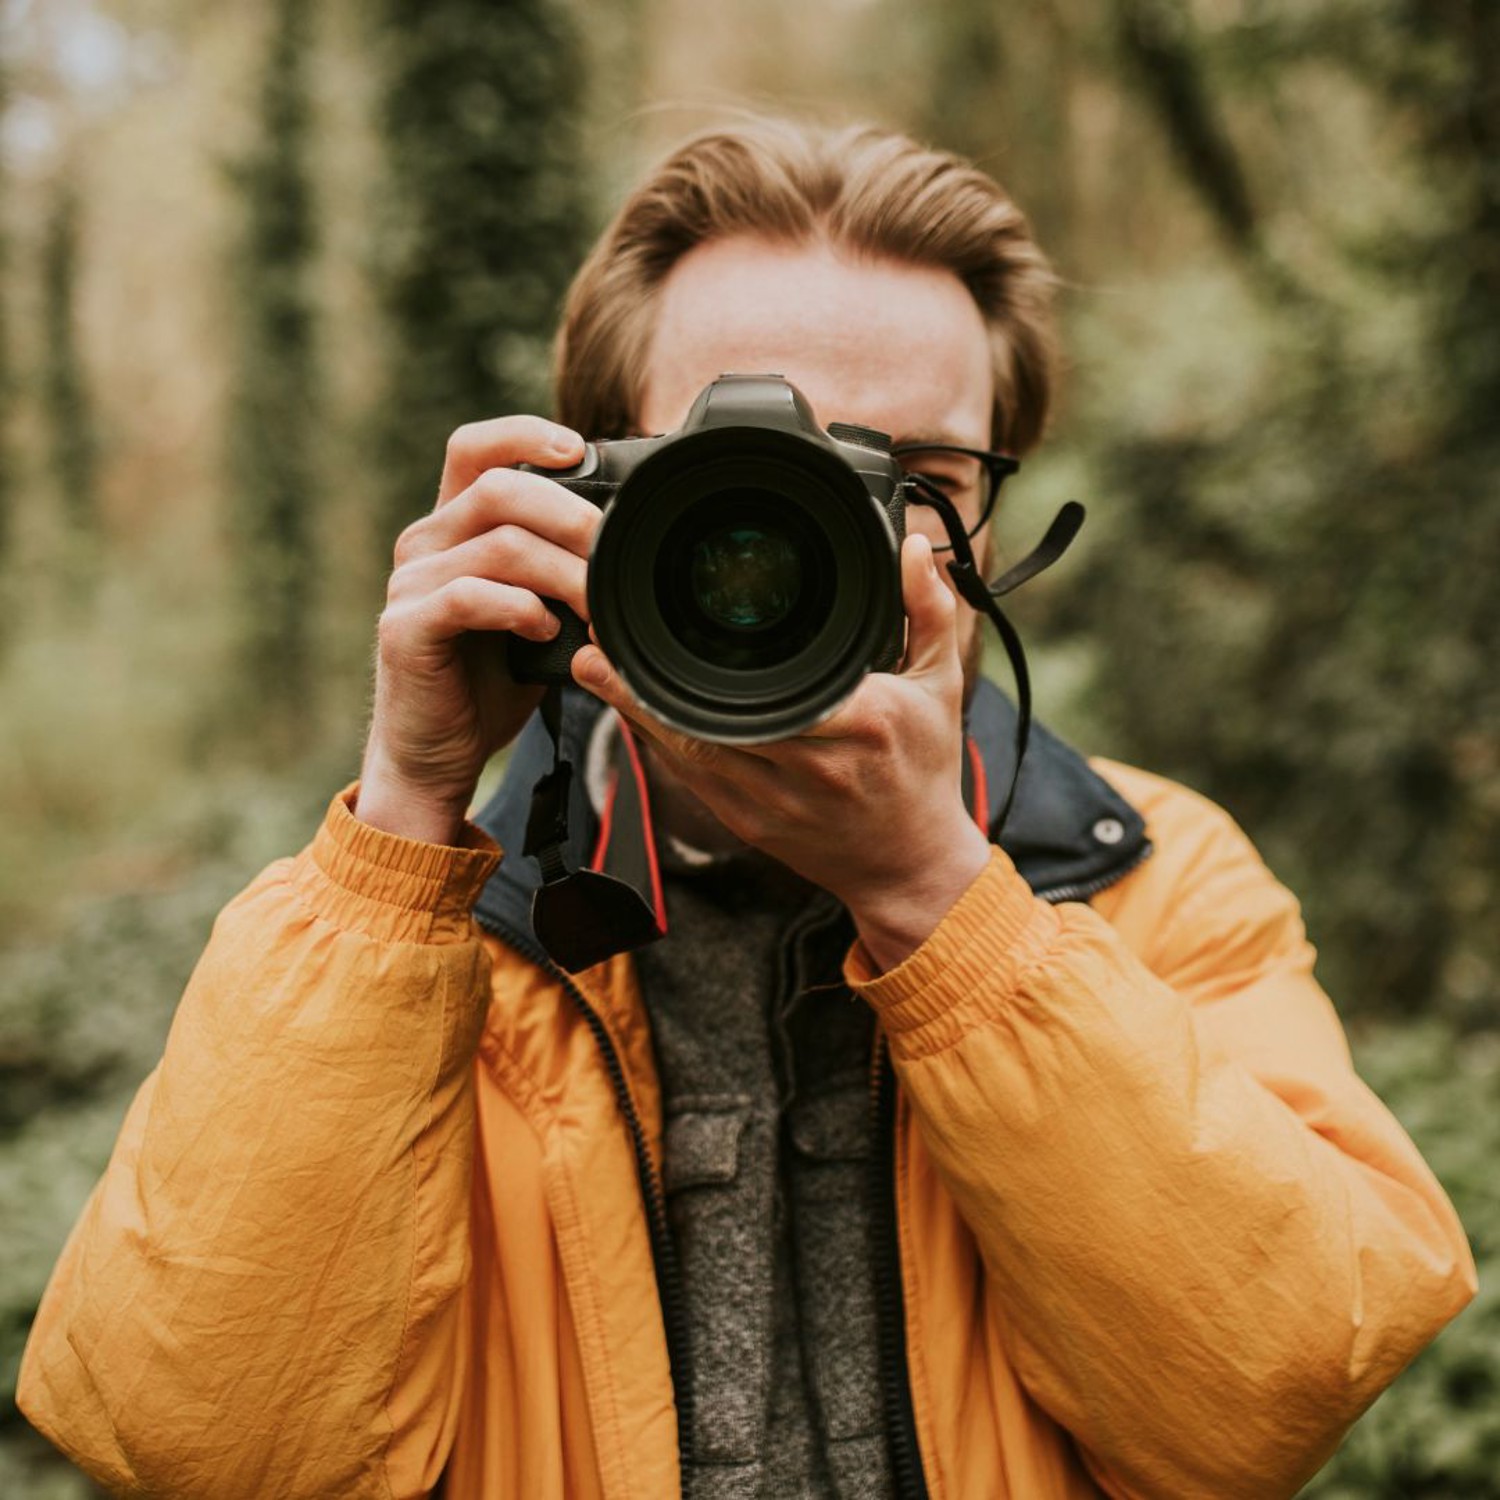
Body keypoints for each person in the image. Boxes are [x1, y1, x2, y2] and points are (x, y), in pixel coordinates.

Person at [18, 117, 1474, 1500]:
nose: (816, 534)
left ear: (995, 523)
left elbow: (1273, 1393)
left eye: (913, 478)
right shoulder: (417, 934)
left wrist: (938, 898)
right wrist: (407, 815)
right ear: (586, 495)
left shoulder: (1157, 878)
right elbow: (207, 1450)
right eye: (738, 476)